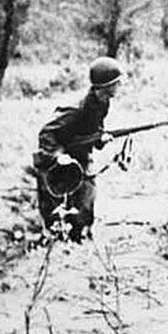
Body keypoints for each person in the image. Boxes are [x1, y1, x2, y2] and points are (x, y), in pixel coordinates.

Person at [33, 57, 122, 242]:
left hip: (80, 156)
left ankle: (80, 241)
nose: (120, 85)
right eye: (116, 82)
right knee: (55, 208)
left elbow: (93, 130)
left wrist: (101, 138)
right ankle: (53, 245)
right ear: (105, 86)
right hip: (55, 160)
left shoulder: (102, 103)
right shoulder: (75, 109)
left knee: (86, 199)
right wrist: (59, 156)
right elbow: (46, 134)